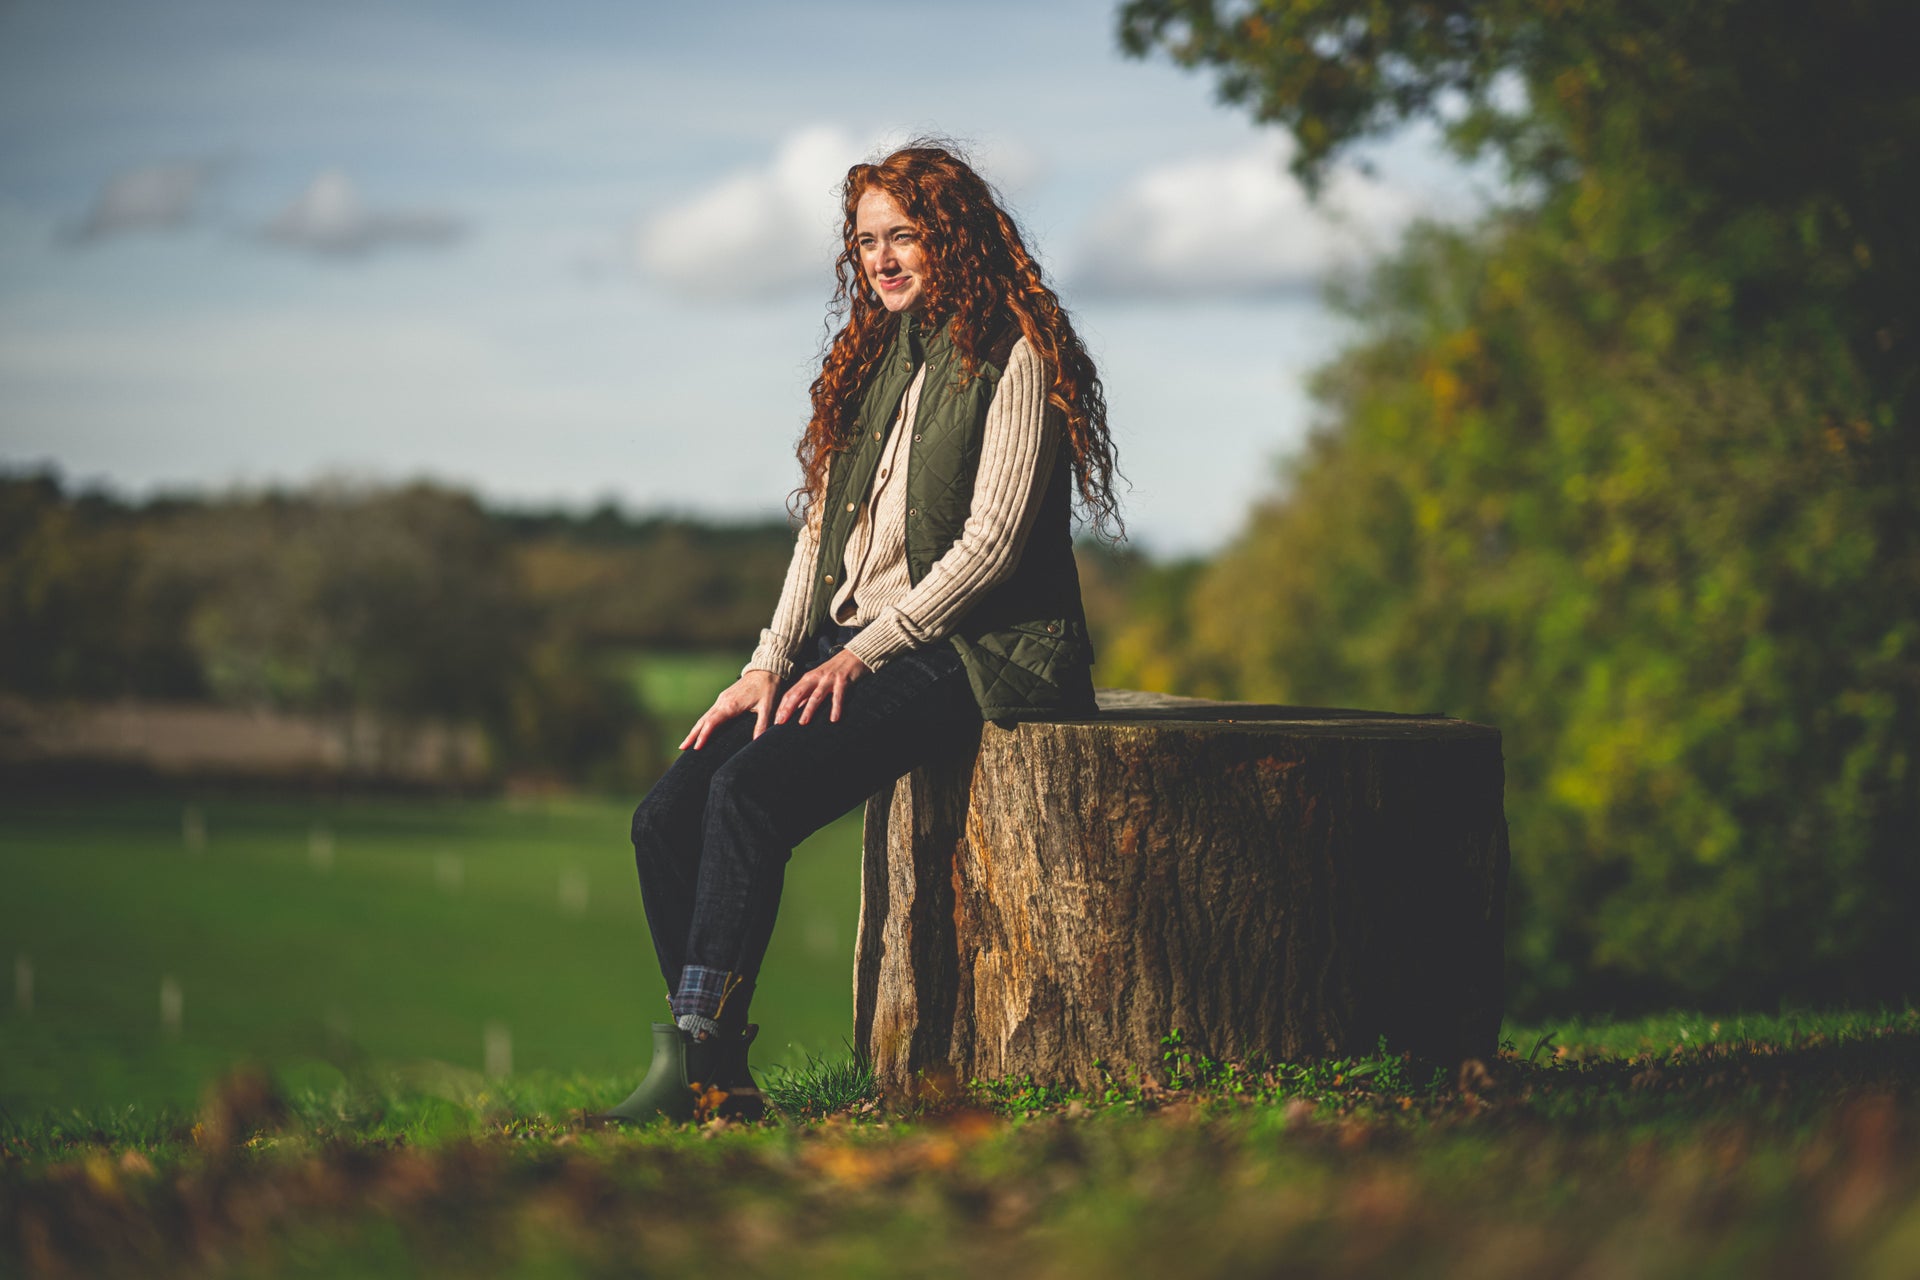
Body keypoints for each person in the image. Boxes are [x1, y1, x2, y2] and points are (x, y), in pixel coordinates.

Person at [600, 141, 1122, 1124]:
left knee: (753, 792)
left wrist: (866, 651)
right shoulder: (876, 358)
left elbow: (995, 544)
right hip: (857, 639)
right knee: (664, 816)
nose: (882, 258)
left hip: (977, 648)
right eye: (867, 240)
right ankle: (709, 1063)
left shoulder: (1014, 351)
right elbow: (820, 533)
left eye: (904, 235)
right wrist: (766, 665)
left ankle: (701, 1073)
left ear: (953, 237)